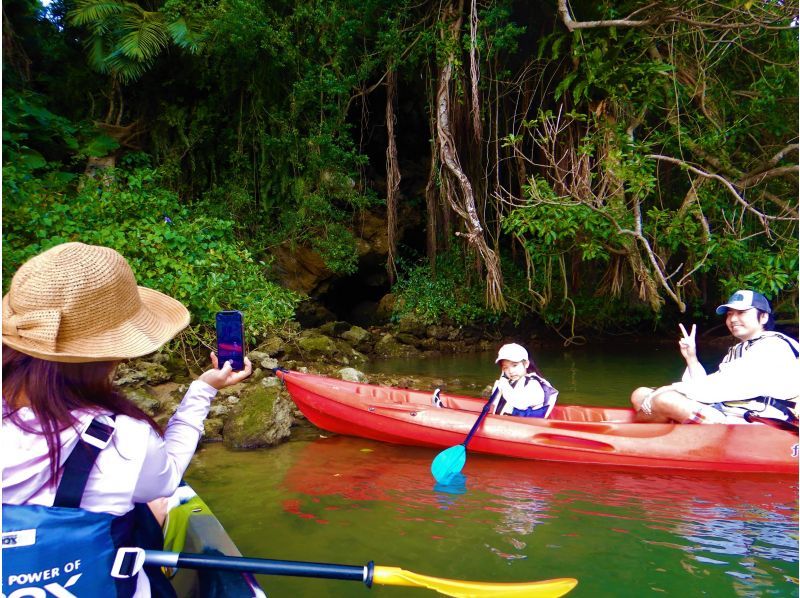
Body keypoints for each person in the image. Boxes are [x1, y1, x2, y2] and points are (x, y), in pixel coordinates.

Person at [2, 242, 253, 596]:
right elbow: (167, 480)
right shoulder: (123, 437)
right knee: (157, 503)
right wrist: (202, 390)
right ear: (111, 353)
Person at [631, 290, 799, 424]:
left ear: (763, 317)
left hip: (757, 422)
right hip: (728, 410)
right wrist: (691, 357)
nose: (733, 319)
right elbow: (707, 387)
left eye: (741, 312)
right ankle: (664, 431)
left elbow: (722, 387)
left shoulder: (773, 346)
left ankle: (637, 440)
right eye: (729, 314)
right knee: (641, 394)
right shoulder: (739, 349)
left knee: (664, 399)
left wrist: (671, 389)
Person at [490, 343, 558, 418]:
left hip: (527, 427)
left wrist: (503, 385)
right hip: (507, 424)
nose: (510, 371)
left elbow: (520, 403)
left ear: (526, 364)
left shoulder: (533, 384)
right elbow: (495, 402)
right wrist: (499, 386)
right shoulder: (509, 382)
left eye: (514, 365)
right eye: (505, 367)